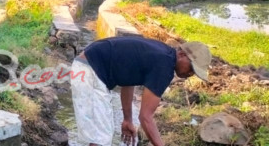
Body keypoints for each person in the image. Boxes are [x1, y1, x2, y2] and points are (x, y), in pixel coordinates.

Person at [71, 37, 212, 146]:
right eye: (192, 68)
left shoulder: (163, 54)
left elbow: (128, 81)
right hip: (89, 70)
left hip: (88, 67)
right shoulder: (164, 67)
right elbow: (145, 117)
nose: (190, 74)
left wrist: (127, 119)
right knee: (101, 137)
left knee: (101, 135)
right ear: (181, 54)